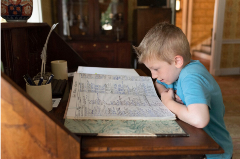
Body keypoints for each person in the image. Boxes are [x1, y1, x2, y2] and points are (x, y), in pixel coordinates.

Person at [133, 22, 233, 159]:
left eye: (156, 69)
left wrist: (168, 102)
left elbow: (200, 120)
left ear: (177, 61)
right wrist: (167, 94)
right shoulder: (175, 71)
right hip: (195, 143)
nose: (153, 75)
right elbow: (158, 83)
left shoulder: (191, 77)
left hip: (213, 152)